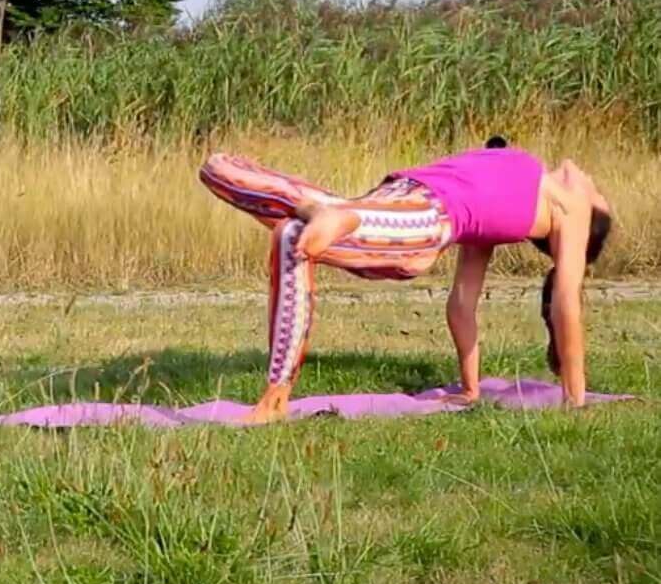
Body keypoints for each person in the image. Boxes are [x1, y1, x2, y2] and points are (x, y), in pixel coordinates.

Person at [199, 137, 612, 424]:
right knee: (221, 171)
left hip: (417, 224)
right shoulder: (518, 186)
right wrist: (471, 388)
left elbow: (565, 304)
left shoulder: (570, 206)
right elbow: (462, 306)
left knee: (315, 225)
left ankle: (337, 217)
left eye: (599, 195)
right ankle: (325, 214)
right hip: (398, 198)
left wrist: (574, 397)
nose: (588, 177)